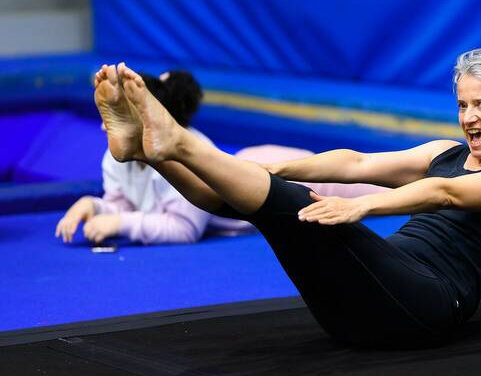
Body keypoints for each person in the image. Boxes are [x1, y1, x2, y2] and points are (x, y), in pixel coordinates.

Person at [92, 47, 481, 347]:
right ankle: (148, 153)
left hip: (425, 305)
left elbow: (445, 194)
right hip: (361, 309)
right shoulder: (443, 152)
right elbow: (355, 164)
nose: (468, 117)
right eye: (462, 105)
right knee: (266, 206)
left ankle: (180, 142)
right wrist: (271, 169)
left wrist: (363, 205)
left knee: (295, 205)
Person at [55, 71, 383, 245]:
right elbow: (126, 204)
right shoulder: (116, 155)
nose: (103, 126)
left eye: (115, 116)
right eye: (109, 116)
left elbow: (184, 229)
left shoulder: (188, 150)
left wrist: (120, 224)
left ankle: (430, 171)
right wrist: (96, 207)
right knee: (372, 175)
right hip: (251, 171)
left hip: (272, 174)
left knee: (376, 182)